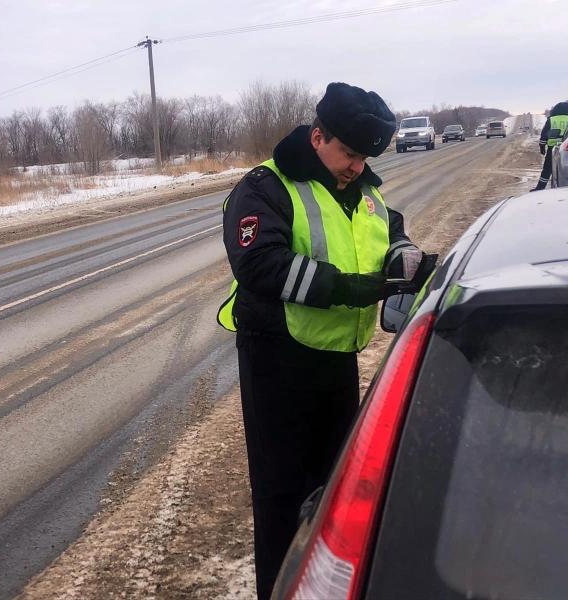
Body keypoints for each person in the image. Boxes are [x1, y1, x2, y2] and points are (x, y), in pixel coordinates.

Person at [217, 82, 423, 599]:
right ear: (318, 136)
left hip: (335, 360)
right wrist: (352, 289)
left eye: (365, 157)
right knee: (283, 501)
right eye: (349, 153)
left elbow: (387, 229)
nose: (357, 166)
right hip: (276, 362)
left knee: (335, 492)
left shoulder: (362, 188)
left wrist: (403, 254)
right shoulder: (265, 186)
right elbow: (260, 263)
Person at [532, 101, 568, 191]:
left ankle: (540, 188)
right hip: (566, 148)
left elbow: (544, 135)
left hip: (553, 149)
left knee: (547, 169)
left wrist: (542, 146)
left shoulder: (551, 120)